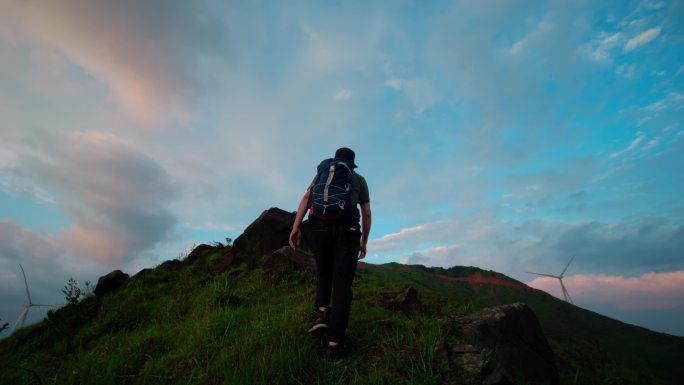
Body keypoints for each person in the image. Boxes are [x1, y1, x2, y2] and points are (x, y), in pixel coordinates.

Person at [289, 147, 371, 360]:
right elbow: (367, 212)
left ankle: (323, 314)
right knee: (342, 285)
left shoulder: (322, 173)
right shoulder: (358, 179)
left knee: (324, 272)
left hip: (319, 228)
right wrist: (364, 240)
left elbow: (306, 198)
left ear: (335, 159)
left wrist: (296, 227)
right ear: (352, 163)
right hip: (348, 230)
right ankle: (335, 343)